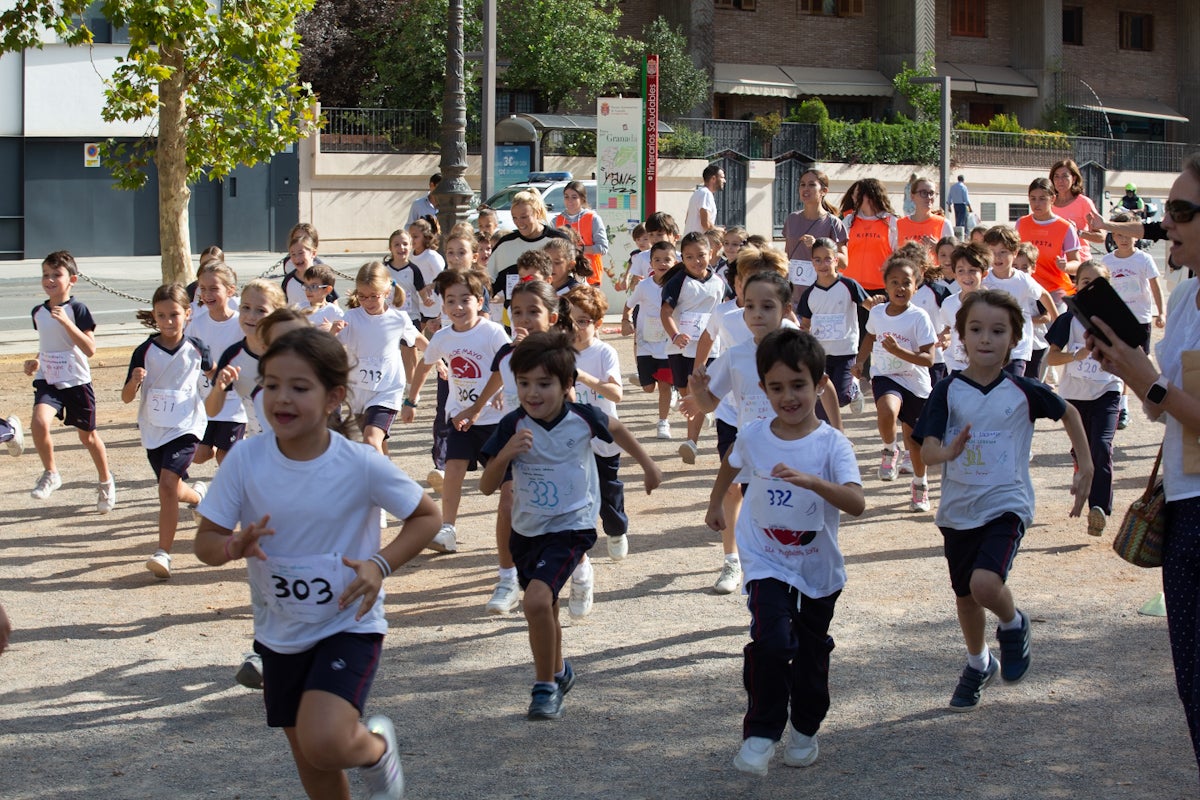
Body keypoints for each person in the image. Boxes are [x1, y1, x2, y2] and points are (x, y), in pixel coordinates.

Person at [194, 327, 440, 800]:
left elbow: (427, 516)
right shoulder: (245, 459)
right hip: (279, 632)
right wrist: (233, 546)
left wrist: (380, 565)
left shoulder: (359, 463)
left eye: (300, 387)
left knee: (325, 740)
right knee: (311, 756)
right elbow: (205, 542)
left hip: (349, 622)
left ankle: (375, 749)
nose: (282, 398)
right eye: (271, 384)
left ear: (334, 397)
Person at [915, 289, 1092, 711]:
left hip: (1006, 504)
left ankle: (1013, 624)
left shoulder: (1023, 389)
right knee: (966, 597)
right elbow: (927, 450)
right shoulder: (948, 390)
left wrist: (1085, 464)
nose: (986, 338)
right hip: (958, 511)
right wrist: (946, 453)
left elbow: (1069, 412)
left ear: (1014, 339)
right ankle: (978, 663)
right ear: (961, 335)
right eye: (976, 329)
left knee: (984, 584)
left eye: (998, 331)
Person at [703, 327, 865, 775]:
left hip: (817, 567)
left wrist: (815, 482)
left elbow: (856, 503)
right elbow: (731, 463)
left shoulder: (832, 444)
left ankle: (805, 729)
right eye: (776, 388)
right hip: (766, 560)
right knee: (772, 642)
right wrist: (716, 502)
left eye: (798, 386)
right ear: (763, 389)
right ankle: (761, 732)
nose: (788, 397)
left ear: (819, 385)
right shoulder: (755, 435)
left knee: (811, 655)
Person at [1085, 153, 1200, 775]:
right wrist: (1131, 373)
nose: (1166, 224)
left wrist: (1151, 387)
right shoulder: (1186, 299)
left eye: (1181, 212)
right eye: (1166, 211)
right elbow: (1165, 410)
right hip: (1183, 508)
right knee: (1193, 687)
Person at [480, 331, 661, 720]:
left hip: (571, 526)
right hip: (527, 531)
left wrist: (648, 466)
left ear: (567, 386)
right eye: (523, 383)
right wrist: (506, 454)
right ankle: (559, 672)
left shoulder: (581, 417)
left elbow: (616, 429)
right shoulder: (512, 425)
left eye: (543, 384)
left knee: (535, 601)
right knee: (546, 610)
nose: (532, 393)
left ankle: (544, 687)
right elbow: (485, 486)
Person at [685, 270, 799, 595]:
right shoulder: (735, 356)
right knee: (763, 535)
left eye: (766, 306)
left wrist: (836, 434)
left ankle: (789, 596)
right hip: (754, 464)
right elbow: (709, 404)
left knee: (790, 536)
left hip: (796, 460)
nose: (757, 314)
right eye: (750, 306)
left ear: (785, 309)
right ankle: (766, 600)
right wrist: (699, 391)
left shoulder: (799, 350)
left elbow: (824, 389)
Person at [404, 270, 510, 554]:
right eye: (451, 301)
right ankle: (447, 529)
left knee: (503, 481)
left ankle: (523, 525)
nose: (458, 307)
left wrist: (495, 396)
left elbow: (505, 367)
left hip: (494, 420)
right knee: (453, 470)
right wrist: (410, 400)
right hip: (460, 418)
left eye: (465, 299)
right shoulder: (442, 337)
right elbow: (426, 365)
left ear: (479, 301)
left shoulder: (492, 332)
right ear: (443, 305)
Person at [123, 284, 211, 580]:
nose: (168, 321)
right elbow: (125, 397)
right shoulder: (144, 351)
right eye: (161, 316)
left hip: (186, 427)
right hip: (153, 428)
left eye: (174, 315)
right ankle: (198, 497)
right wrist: (134, 381)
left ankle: (163, 553)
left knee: (166, 485)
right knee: (172, 488)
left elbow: (212, 380)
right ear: (154, 317)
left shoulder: (198, 349)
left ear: (187, 314)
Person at [23, 250, 115, 512]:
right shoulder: (38, 312)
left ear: (72, 279)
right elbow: (50, 345)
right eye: (45, 275)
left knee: (87, 437)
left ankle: (106, 480)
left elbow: (89, 349)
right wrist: (36, 361)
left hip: (76, 381)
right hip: (48, 380)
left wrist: (67, 323)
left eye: (56, 275)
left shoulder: (77, 309)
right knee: (39, 422)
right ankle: (51, 473)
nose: (50, 280)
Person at [1044, 261, 1122, 537]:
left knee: (1101, 446)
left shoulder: (1117, 318)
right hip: (1074, 396)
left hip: (1106, 390)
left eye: (1097, 282)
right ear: (1077, 285)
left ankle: (1098, 508)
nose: (1090, 287)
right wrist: (1074, 356)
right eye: (1085, 281)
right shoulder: (1068, 320)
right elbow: (1051, 356)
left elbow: (1133, 356)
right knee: (1084, 450)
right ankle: (1080, 462)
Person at [852, 257, 937, 510]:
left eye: (906, 283)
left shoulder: (919, 317)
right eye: (894, 282)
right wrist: (860, 361)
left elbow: (929, 359)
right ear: (885, 287)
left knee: (915, 442)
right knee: (887, 410)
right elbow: (870, 335)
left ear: (916, 287)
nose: (900, 288)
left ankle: (919, 485)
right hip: (886, 376)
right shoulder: (877, 312)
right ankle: (890, 449)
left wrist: (899, 351)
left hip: (915, 382)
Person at [566, 284, 631, 563]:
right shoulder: (560, 351)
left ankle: (616, 531)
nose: (576, 327)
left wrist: (584, 377)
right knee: (575, 491)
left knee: (607, 491)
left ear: (598, 323)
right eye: (571, 320)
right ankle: (577, 543)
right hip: (570, 436)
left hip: (603, 435)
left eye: (583, 321)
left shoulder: (604, 353)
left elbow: (616, 393)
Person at [336, 262, 421, 456]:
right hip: (358, 392)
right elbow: (330, 345)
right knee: (376, 446)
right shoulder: (351, 317)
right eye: (362, 296)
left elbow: (418, 340)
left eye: (374, 296)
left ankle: (376, 482)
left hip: (387, 390)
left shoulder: (398, 319)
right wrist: (331, 332)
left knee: (371, 441)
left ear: (386, 291)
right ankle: (387, 481)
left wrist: (440, 359)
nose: (368, 302)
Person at [661, 231, 729, 463]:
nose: (696, 261)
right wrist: (675, 334)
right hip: (680, 347)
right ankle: (702, 409)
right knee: (684, 392)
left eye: (701, 255)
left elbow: (730, 308)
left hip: (710, 347)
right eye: (689, 257)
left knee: (695, 391)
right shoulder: (677, 282)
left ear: (711, 253)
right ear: (682, 258)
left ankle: (692, 442)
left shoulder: (719, 282)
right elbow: (666, 312)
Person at [1102, 209, 1166, 428]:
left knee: (1141, 364)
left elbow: (1155, 286)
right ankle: (1123, 407)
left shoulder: (1144, 259)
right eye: (1119, 234)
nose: (1124, 239)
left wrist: (1161, 312)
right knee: (1122, 363)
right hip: (1118, 320)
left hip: (1141, 318)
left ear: (1136, 235)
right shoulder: (1107, 261)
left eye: (1128, 234)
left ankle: (1150, 401)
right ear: (1113, 236)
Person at [798, 238, 869, 419]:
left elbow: (870, 306)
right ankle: (828, 436)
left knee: (840, 397)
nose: (823, 264)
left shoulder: (849, 285)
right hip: (820, 354)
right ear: (812, 262)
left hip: (845, 351)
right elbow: (805, 324)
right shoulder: (809, 294)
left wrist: (882, 309)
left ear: (836, 260)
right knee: (822, 396)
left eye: (828, 259)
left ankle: (853, 390)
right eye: (817, 260)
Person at [207, 279, 288, 439]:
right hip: (261, 446)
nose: (251, 316)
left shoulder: (292, 352)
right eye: (245, 308)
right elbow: (211, 411)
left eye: (261, 310)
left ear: (277, 314)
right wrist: (218, 387)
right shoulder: (233, 356)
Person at [187, 262, 247, 467]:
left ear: (230, 290)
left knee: (225, 457)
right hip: (206, 400)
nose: (207, 294)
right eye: (202, 288)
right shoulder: (197, 324)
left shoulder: (242, 324)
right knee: (199, 454)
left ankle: (235, 494)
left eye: (214, 288)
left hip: (234, 401)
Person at [982, 225, 1058, 377]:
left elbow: (1043, 295)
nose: (997, 257)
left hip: (1017, 348)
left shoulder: (1023, 280)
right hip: (990, 347)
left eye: (1003, 252)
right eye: (993, 252)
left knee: (1014, 386)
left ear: (1014, 253)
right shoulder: (984, 278)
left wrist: (1058, 321)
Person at [622, 241, 676, 439]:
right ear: (651, 263)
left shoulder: (679, 285)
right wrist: (625, 320)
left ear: (675, 261)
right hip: (645, 345)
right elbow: (628, 305)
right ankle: (668, 384)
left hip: (667, 345)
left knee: (663, 385)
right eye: (657, 259)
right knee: (648, 388)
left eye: (667, 259)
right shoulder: (644, 286)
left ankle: (663, 422)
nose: (662, 263)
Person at [783, 169, 848, 304]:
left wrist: (818, 245)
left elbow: (844, 262)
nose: (805, 189)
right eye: (802, 184)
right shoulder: (791, 219)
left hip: (820, 292)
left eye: (812, 185)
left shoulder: (833, 223)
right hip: (792, 293)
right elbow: (787, 255)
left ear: (823, 191)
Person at [1017, 177, 1081, 306]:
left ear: (1052, 199)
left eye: (1042, 198)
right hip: (1025, 289)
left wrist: (1066, 266)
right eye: (1033, 198)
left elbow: (1077, 264)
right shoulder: (1021, 223)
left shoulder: (1065, 227)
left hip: (1055, 292)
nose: (1037, 203)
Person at [488, 190, 569, 279]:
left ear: (537, 213)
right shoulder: (504, 244)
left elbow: (573, 278)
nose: (519, 222)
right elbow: (489, 278)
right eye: (514, 217)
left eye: (524, 217)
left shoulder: (558, 241)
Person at [842, 178, 897, 293]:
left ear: (870, 196)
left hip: (882, 288)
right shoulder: (849, 220)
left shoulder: (891, 222)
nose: (853, 198)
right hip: (850, 286)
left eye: (857, 194)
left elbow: (898, 253)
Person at [552, 180, 610, 285]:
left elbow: (603, 248)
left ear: (582, 199)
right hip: (564, 277)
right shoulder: (556, 221)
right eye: (566, 197)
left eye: (574, 197)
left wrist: (579, 249)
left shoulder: (593, 218)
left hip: (590, 276)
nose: (569, 201)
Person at [1049, 159, 1105, 262]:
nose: (1060, 181)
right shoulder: (1049, 203)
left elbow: (1101, 237)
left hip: (1080, 263)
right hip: (1055, 263)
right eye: (1056, 176)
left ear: (1074, 179)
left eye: (1065, 176)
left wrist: (1077, 232)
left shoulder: (1084, 203)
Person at [897, 176, 953, 256]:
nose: (929, 197)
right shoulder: (899, 224)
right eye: (923, 193)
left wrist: (938, 249)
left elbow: (953, 257)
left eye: (932, 193)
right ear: (912, 196)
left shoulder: (944, 224)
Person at [684, 164, 725, 236]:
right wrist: (719, 230)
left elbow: (686, 220)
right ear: (713, 178)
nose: (724, 181)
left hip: (691, 241)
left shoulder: (697, 193)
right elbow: (706, 224)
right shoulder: (706, 194)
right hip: (697, 242)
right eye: (722, 177)